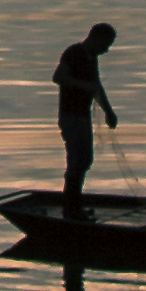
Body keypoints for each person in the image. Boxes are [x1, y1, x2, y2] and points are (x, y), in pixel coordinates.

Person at [53, 21, 117, 215]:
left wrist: (108, 111)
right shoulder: (74, 52)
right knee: (77, 160)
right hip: (70, 116)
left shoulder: (92, 59)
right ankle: (71, 207)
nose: (107, 50)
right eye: (106, 44)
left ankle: (75, 203)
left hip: (83, 116)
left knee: (85, 159)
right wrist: (82, 85)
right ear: (96, 37)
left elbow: (96, 86)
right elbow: (58, 77)